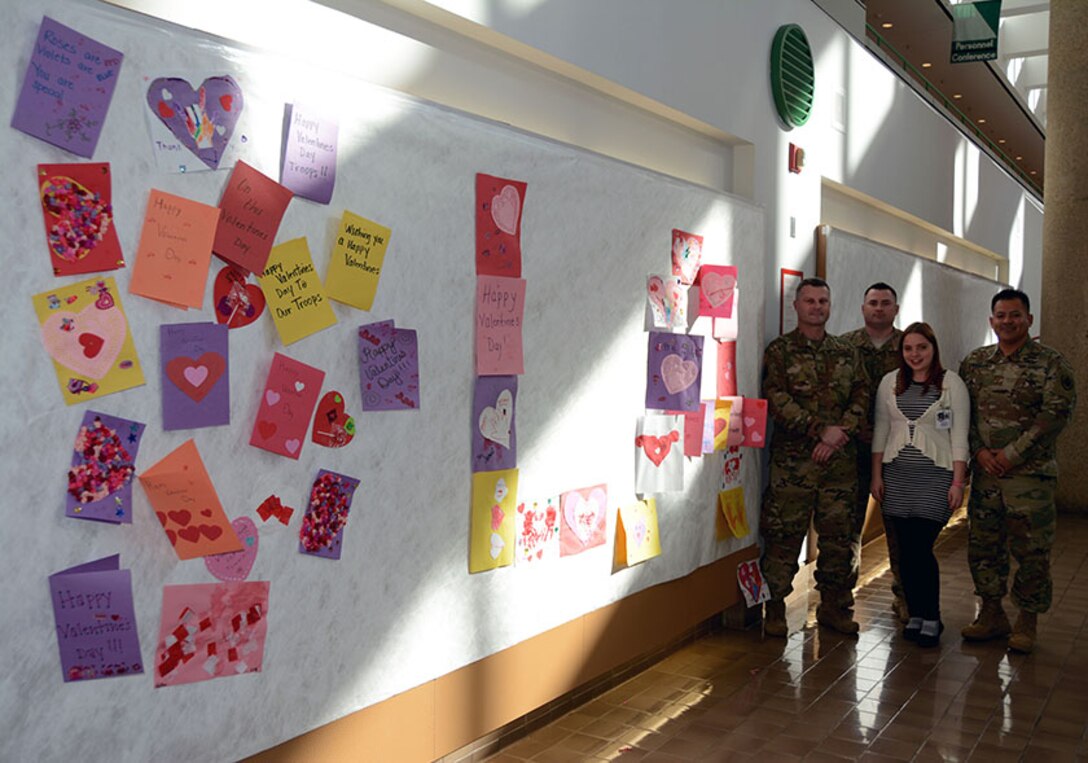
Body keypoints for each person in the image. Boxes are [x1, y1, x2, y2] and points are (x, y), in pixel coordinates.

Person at [958, 289, 1076, 653]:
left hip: (1029, 476)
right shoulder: (975, 363)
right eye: (1001, 315)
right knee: (984, 546)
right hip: (986, 475)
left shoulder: (1050, 363)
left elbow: (1054, 416)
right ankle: (992, 613)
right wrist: (978, 451)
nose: (1007, 321)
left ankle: (1027, 620)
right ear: (991, 320)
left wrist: (1011, 454)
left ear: (1029, 319)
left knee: (1031, 551)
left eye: (1015, 315)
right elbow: (963, 413)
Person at [760, 277, 869, 637]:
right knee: (783, 536)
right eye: (810, 301)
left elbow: (862, 396)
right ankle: (774, 608)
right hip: (793, 465)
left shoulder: (846, 351)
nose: (817, 307)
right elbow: (775, 397)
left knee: (839, 539)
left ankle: (835, 607)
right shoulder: (780, 351)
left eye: (823, 301)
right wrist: (818, 429)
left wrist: (838, 435)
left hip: (839, 466)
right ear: (796, 306)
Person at [870, 322, 968, 647]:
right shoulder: (890, 383)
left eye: (921, 348)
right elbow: (881, 432)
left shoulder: (951, 384)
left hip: (936, 479)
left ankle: (932, 617)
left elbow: (958, 437)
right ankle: (915, 614)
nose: (915, 354)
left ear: (933, 349)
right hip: (897, 478)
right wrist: (876, 475)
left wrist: (958, 482)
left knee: (921, 549)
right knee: (905, 554)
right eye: (908, 348)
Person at [841, 282, 907, 623]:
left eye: (885, 303)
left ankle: (906, 596)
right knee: (846, 525)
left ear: (896, 310)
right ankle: (839, 599)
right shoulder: (844, 347)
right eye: (873, 303)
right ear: (863, 308)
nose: (878, 308)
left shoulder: (909, 347)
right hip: (852, 449)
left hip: (897, 452)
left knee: (899, 525)